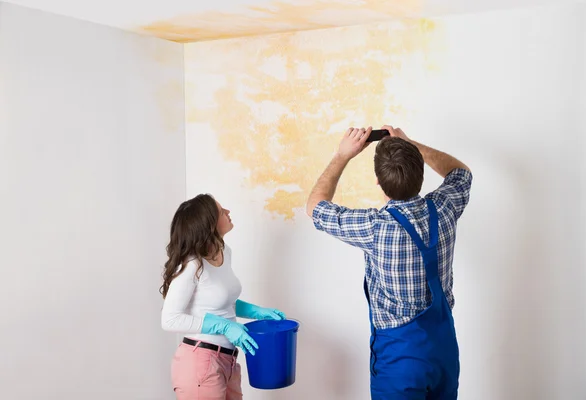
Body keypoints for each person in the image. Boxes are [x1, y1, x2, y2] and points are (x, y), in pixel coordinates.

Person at [306, 125, 472, 399]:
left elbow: (315, 206)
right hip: (444, 355)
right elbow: (461, 173)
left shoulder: (376, 228)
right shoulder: (444, 208)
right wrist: (412, 145)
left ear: (378, 181)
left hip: (400, 361)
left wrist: (342, 155)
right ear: (419, 170)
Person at [160, 194, 286, 400]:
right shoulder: (192, 264)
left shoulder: (224, 252)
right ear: (208, 224)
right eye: (220, 211)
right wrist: (224, 326)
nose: (228, 212)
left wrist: (256, 312)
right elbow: (169, 319)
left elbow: (220, 302)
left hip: (227, 361)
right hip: (200, 364)